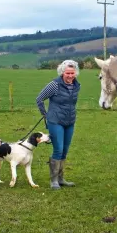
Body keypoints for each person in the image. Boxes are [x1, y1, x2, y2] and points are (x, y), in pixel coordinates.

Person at [36, 60, 81, 189]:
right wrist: (45, 115)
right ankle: (53, 180)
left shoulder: (77, 86)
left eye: (72, 73)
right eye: (68, 73)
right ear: (62, 72)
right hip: (55, 121)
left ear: (76, 73)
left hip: (70, 121)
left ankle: (61, 179)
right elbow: (39, 99)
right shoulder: (54, 85)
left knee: (65, 150)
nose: (70, 76)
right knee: (58, 149)